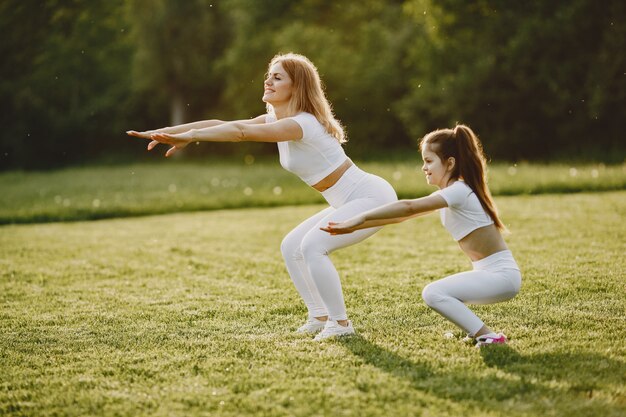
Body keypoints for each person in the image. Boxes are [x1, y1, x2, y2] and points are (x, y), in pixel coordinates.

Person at [127, 53, 397, 341]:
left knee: (312, 246)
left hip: (372, 198)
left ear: (297, 87)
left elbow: (241, 133)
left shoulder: (302, 123)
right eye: (269, 74)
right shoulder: (277, 119)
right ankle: (319, 316)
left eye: (278, 77)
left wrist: (190, 136)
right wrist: (168, 132)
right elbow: (223, 122)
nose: (268, 80)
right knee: (291, 246)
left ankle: (340, 324)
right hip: (347, 200)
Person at [321, 124, 521, 347]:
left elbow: (408, 207)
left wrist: (360, 218)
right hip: (492, 274)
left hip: (500, 277)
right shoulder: (451, 193)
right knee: (439, 293)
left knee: (433, 293)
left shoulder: (459, 192)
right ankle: (476, 332)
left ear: (450, 163)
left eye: (429, 161)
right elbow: (399, 217)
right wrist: (353, 226)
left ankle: (489, 336)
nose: (423, 167)